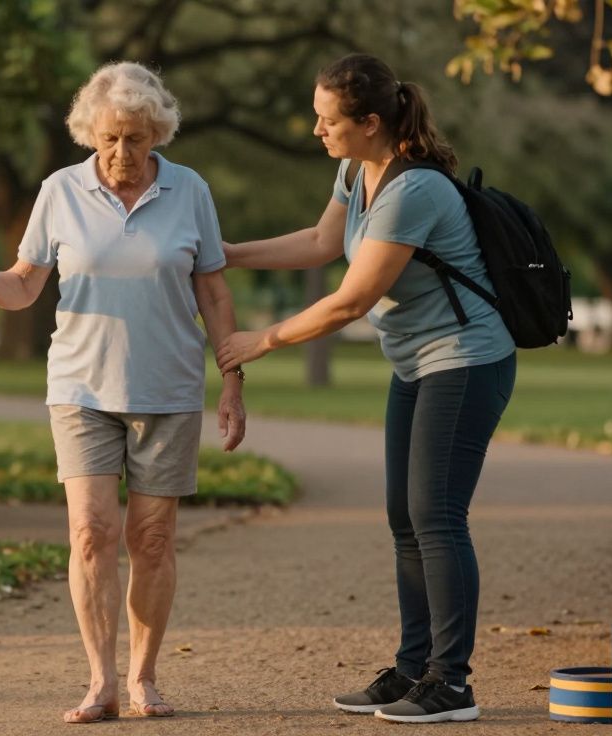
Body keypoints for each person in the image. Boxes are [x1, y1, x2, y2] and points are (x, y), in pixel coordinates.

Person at [217, 53, 515, 724]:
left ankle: (453, 684)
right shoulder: (356, 170)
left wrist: (258, 342)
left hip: (465, 360)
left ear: (371, 121)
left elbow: (351, 301)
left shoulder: (416, 191)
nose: (316, 129)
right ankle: (414, 670)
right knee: (403, 517)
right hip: (416, 362)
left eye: (328, 120)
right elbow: (324, 242)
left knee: (436, 516)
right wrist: (230, 252)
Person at [0, 61, 246, 724]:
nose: (123, 152)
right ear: (90, 132)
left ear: (159, 136)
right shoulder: (59, 191)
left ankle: (143, 677)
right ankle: (100, 680)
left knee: (151, 538)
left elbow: (214, 290)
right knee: (91, 533)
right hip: (81, 386)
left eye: (138, 139)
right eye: (112, 137)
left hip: (169, 387)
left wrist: (232, 379)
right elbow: (26, 285)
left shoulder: (190, 191)